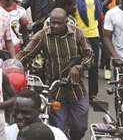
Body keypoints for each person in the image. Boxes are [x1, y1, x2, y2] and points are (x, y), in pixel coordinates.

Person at [17, 8, 93, 140]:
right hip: (54, 88)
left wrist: (80, 67)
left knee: (80, 127)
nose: (55, 26)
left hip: (77, 88)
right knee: (58, 127)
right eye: (52, 22)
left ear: (66, 22)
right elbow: (25, 54)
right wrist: (12, 67)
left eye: (59, 23)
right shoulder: (42, 35)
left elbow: (90, 55)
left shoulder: (77, 34)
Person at [74, 0, 104, 95]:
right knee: (78, 66)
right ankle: (78, 92)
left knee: (93, 67)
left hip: (94, 34)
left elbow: (99, 14)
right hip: (79, 36)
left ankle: (93, 94)